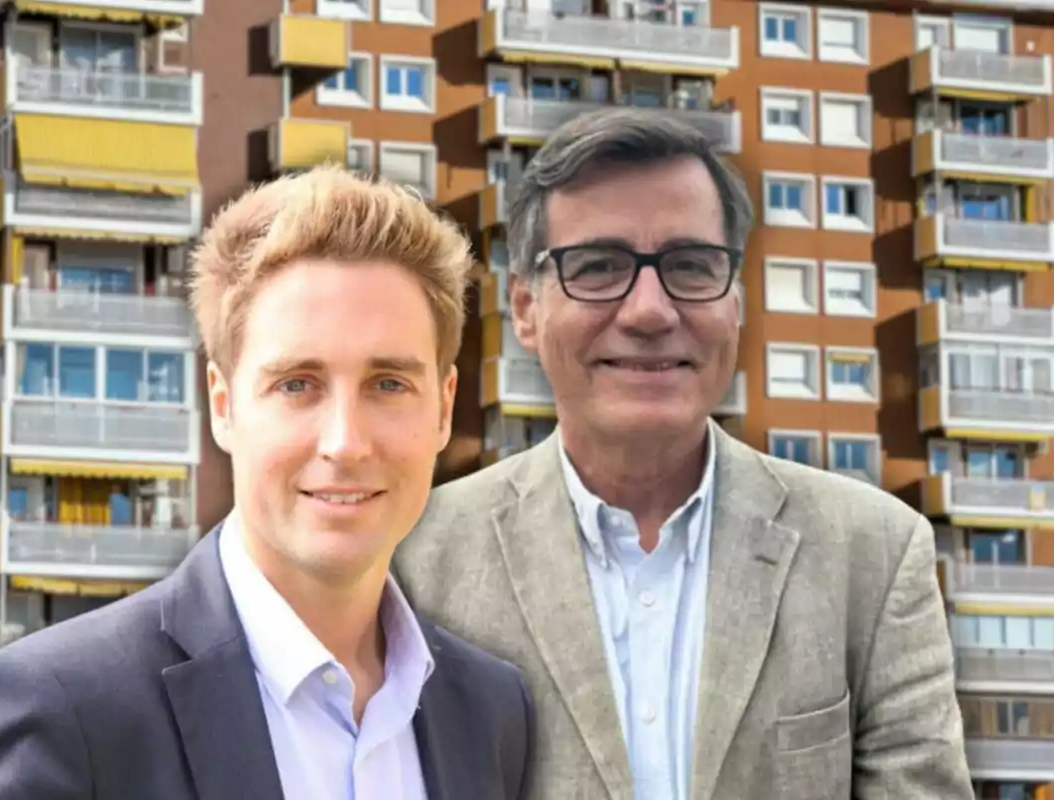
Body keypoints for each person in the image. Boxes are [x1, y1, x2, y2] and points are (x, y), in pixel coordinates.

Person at [393, 109, 974, 800]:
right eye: (599, 266)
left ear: (736, 302)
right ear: (525, 308)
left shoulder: (872, 556)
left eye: (691, 267)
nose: (648, 311)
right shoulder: (414, 560)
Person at [0, 166, 534, 800]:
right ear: (224, 404)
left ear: (445, 409)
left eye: (388, 385)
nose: (345, 442)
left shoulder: (490, 712)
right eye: (297, 385)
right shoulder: (51, 709)